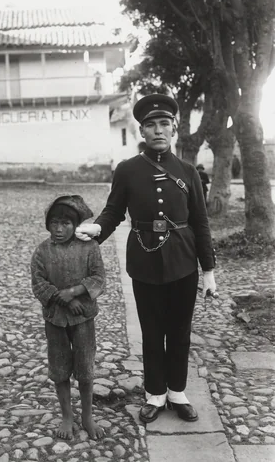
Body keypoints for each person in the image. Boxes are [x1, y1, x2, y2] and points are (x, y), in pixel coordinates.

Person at [75, 94, 217, 424]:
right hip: (145, 261)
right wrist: (96, 228)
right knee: (152, 331)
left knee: (180, 330)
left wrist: (208, 270)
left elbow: (200, 221)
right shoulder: (127, 170)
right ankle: (155, 394)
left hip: (183, 262)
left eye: (164, 124)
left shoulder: (187, 172)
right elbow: (113, 211)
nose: (158, 130)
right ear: (141, 131)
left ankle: (177, 392)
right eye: (150, 125)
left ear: (174, 129)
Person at [30, 195, 106, 440]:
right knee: (60, 368)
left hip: (83, 318)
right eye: (54, 223)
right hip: (55, 319)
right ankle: (66, 415)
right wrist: (62, 298)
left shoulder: (89, 248)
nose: (59, 229)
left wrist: (75, 292)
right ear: (48, 224)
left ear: (75, 226)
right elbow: (38, 283)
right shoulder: (42, 251)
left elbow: (98, 278)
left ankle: (86, 416)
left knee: (85, 368)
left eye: (65, 224)